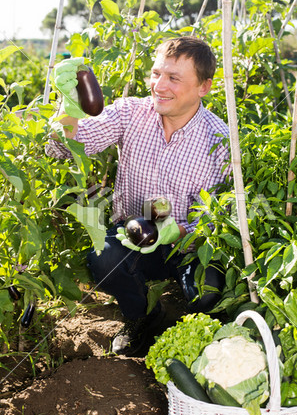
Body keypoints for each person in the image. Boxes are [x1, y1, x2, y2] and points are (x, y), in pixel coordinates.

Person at [46, 36, 231, 356]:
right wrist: (69, 109)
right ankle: (142, 317)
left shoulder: (220, 140)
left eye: (173, 78)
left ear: (204, 87)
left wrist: (178, 230)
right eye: (157, 74)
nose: (159, 85)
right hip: (135, 236)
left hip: (188, 245)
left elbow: (220, 216)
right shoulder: (131, 112)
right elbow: (66, 148)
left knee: (210, 295)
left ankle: (194, 331)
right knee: (103, 257)